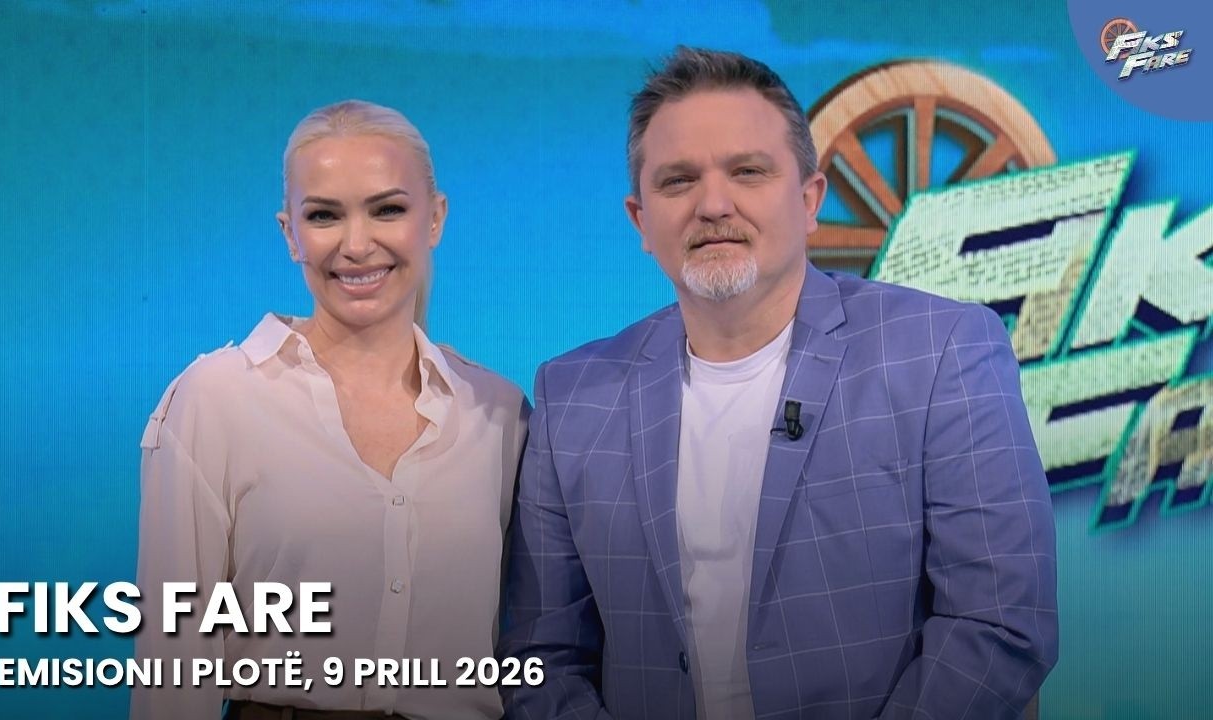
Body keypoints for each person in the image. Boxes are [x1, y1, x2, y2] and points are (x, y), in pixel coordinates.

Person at [499, 47, 1058, 720]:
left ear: (809, 199)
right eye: (678, 181)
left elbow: (1001, 623)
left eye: (748, 171)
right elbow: (539, 659)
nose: (713, 204)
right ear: (640, 220)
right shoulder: (572, 397)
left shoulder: (941, 352)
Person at [132, 100, 527, 720]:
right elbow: (172, 669)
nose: (357, 244)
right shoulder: (214, 399)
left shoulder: (500, 413)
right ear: (290, 233)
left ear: (434, 219)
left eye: (387, 209)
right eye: (324, 216)